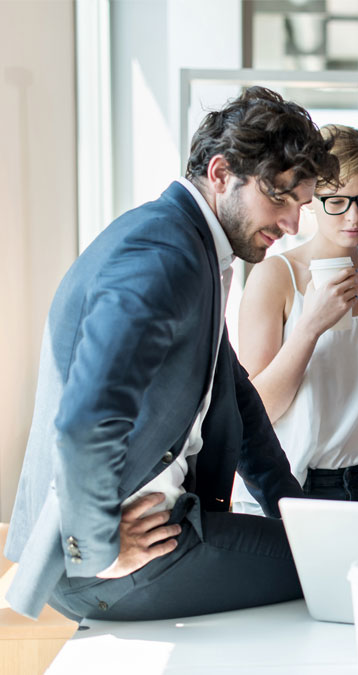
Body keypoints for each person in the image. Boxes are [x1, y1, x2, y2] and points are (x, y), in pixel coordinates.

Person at [4, 87, 338, 621]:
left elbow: (237, 400)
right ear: (222, 172)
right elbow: (89, 415)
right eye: (279, 197)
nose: (294, 224)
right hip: (118, 563)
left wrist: (293, 512)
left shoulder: (195, 246)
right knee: (341, 567)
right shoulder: (166, 255)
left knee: (328, 550)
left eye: (302, 205)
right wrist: (95, 549)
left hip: (161, 531)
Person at [231, 124, 358, 510]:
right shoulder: (275, 277)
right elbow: (258, 410)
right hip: (296, 483)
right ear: (310, 200)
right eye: (336, 201)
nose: (354, 216)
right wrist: (310, 325)